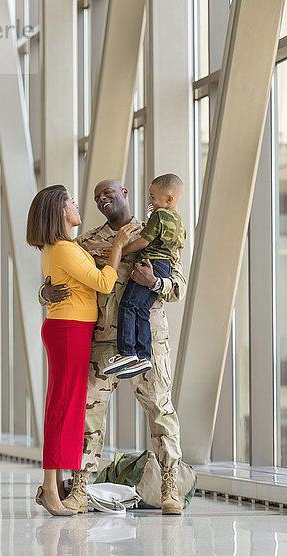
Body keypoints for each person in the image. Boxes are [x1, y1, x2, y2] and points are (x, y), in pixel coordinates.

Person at [39, 180, 187, 515]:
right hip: (103, 342)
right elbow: (60, 276)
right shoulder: (88, 242)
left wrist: (155, 282)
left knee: (160, 410)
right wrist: (44, 295)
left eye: (110, 193)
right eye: (97, 197)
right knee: (88, 415)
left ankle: (169, 486)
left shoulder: (158, 229)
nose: (104, 199)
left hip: (148, 341)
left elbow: (178, 285)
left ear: (126, 195)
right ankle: (79, 488)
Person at [26, 184, 140, 516]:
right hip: (69, 330)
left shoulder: (63, 247)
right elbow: (104, 283)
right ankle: (50, 488)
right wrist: (118, 244)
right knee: (64, 406)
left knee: (67, 407)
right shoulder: (63, 248)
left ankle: (52, 487)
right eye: (73, 202)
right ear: (61, 211)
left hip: (70, 329)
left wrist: (45, 292)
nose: (78, 206)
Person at [103, 174, 186, 379]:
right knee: (141, 309)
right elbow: (179, 253)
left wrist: (120, 250)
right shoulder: (180, 224)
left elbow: (144, 242)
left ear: (169, 199)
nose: (150, 202)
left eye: (152, 198)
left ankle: (127, 352)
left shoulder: (159, 216)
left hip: (149, 264)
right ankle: (142, 356)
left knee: (128, 305)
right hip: (164, 266)